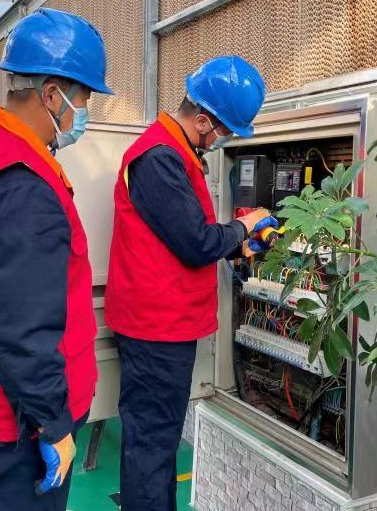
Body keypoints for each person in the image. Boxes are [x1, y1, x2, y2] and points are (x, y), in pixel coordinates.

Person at [0, 8, 113, 510]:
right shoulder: (23, 184)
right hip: (11, 427)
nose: (85, 111)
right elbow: (21, 331)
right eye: (83, 98)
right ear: (52, 93)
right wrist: (53, 422)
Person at [105, 55, 268, 511]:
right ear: (201, 121)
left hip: (161, 325)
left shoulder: (173, 153)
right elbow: (195, 241)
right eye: (226, 133)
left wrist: (237, 243)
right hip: (155, 330)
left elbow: (179, 234)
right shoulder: (159, 158)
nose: (225, 142)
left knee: (154, 442)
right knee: (152, 446)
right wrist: (242, 228)